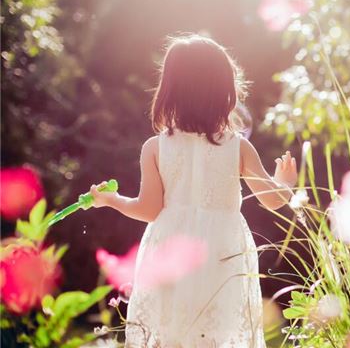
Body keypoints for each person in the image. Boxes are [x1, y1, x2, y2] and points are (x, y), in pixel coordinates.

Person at [89, 34, 297, 347]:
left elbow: (148, 210)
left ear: (169, 90)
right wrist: (285, 183)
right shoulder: (237, 147)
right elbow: (272, 201)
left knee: (173, 329)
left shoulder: (155, 148)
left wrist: (110, 200)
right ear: (225, 90)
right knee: (216, 330)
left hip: (171, 246)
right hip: (222, 250)